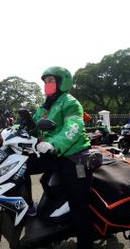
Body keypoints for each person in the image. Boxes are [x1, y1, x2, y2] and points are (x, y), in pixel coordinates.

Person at [24, 66, 93, 249]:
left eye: (51, 81)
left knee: (78, 204)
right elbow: (33, 125)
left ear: (62, 82)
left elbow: (74, 127)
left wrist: (54, 143)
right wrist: (13, 131)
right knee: (22, 166)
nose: (47, 85)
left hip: (73, 155)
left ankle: (85, 244)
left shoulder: (70, 102)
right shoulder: (46, 105)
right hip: (52, 153)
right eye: (45, 82)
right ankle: (28, 206)